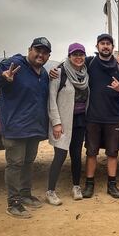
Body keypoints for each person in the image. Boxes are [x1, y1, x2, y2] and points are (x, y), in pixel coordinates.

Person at [50, 34, 119, 199]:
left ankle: (112, 185)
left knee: (113, 153)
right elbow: (71, 64)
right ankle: (89, 184)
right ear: (97, 46)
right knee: (91, 152)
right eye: (102, 43)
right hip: (92, 116)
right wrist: (53, 70)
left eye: (108, 44)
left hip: (113, 116)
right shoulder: (89, 62)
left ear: (112, 47)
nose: (105, 46)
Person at [0, 37, 51, 218]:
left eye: (45, 52)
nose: (40, 54)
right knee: (15, 164)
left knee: (28, 163)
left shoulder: (43, 74)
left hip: (34, 128)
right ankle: (13, 203)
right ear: (29, 49)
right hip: (15, 127)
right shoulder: (15, 63)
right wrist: (2, 77)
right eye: (38, 50)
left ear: (48, 56)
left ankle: (25, 195)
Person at [45, 43, 89, 205]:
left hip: (79, 120)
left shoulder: (85, 74)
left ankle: (76, 187)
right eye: (75, 54)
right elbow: (51, 99)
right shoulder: (59, 73)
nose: (78, 57)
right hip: (63, 122)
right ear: (69, 56)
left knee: (76, 155)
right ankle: (50, 191)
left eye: (81, 54)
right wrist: (56, 122)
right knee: (60, 155)